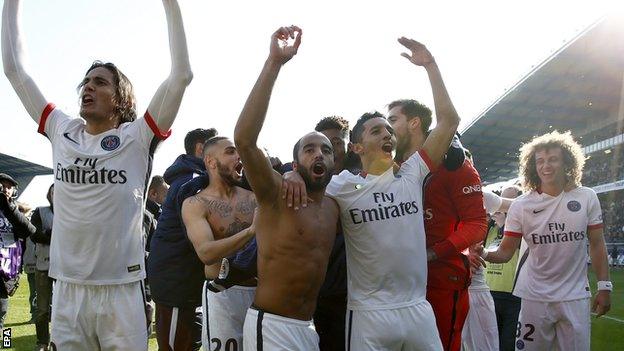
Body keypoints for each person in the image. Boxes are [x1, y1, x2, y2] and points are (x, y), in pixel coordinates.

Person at [2, 0, 193, 348]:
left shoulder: (137, 137)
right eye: (86, 82)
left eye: (100, 83)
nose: (87, 87)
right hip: (68, 288)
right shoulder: (62, 129)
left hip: (121, 290)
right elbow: (15, 70)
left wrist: (170, 4)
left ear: (120, 99)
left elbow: (182, 75)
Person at [321, 37, 460, 350]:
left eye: (388, 129)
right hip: (369, 315)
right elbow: (305, 180)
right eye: (375, 131)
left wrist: (431, 66)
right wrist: (290, 174)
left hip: (417, 310)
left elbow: (449, 121)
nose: (386, 133)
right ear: (357, 147)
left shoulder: (412, 173)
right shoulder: (342, 186)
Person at [234, 26, 340, 350]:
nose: (318, 154)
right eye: (309, 149)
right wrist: (274, 64)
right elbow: (244, 141)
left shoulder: (337, 205)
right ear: (295, 165)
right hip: (273, 326)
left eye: (326, 150)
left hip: (309, 327)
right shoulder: (277, 195)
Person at [478, 131, 611, 350]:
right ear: (533, 166)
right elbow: (505, 252)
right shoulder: (521, 205)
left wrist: (604, 286)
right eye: (540, 161)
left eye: (552, 159)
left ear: (567, 162)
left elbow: (597, 243)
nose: (545, 166)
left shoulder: (586, 197)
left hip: (575, 297)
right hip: (534, 298)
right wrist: (482, 253)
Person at [387, 100, 487, 350]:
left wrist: (433, 253)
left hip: (441, 278)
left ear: (414, 123)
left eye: (392, 120)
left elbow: (476, 224)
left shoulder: (455, 165)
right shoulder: (388, 165)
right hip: (398, 281)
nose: (388, 129)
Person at [181, 136, 257, 351]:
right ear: (211, 161)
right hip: (222, 296)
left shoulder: (254, 199)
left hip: (261, 293)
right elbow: (206, 253)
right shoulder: (195, 204)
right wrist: (251, 231)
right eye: (231, 151)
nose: (239, 156)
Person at [147, 127, 217, 351]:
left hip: (181, 280)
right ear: (201, 149)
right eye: (220, 149)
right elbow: (197, 238)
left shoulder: (192, 178)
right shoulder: (192, 182)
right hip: (176, 282)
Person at [313, 116, 352, 351]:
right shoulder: (303, 181)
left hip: (352, 295)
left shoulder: (361, 179)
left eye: (337, 142)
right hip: (314, 294)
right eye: (324, 142)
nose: (330, 148)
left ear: (349, 145)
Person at [461, 186, 516, 351]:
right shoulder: (429, 191)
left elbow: (522, 205)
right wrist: (460, 259)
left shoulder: (481, 195)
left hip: (478, 286)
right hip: (444, 286)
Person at [483, 185, 523, 351]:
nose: (501, 206)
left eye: (507, 202)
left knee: (507, 345)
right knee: (489, 345)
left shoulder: (522, 228)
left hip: (513, 297)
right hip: (489, 295)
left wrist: (506, 223)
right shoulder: (489, 229)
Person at [0, 173, 36, 329]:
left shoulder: (14, 209)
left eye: (9, 187)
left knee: (2, 308)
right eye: (2, 186)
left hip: (7, 266)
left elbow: (29, 230)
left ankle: (5, 341)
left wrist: (9, 206)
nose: (6, 190)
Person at [30, 184, 55, 351]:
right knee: (42, 308)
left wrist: (48, 233)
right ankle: (42, 342)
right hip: (43, 265)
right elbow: (34, 234)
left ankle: (60, 340)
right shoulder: (40, 211)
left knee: (65, 308)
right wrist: (53, 235)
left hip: (66, 267)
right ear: (49, 194)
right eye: (54, 191)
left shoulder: (72, 212)